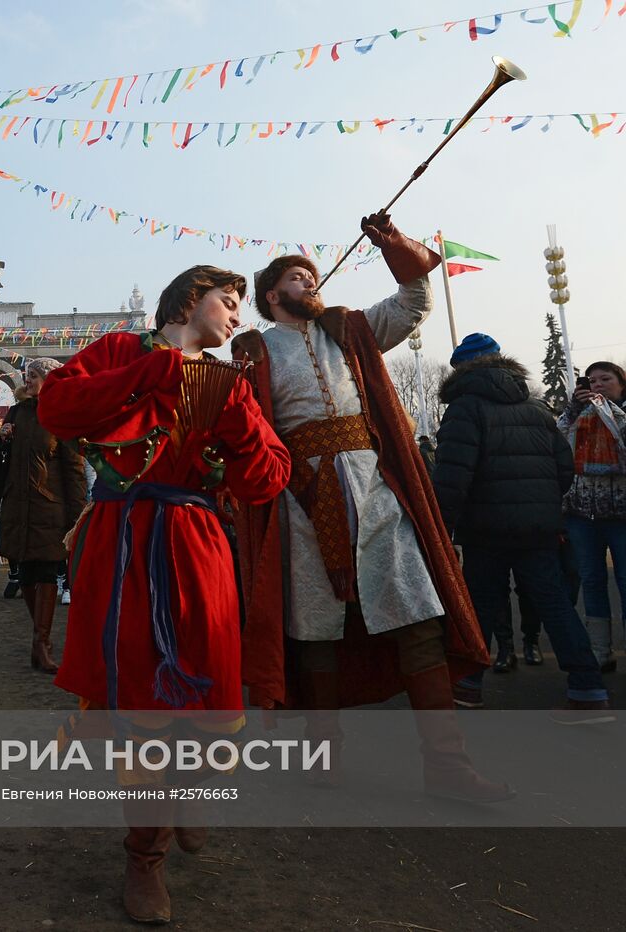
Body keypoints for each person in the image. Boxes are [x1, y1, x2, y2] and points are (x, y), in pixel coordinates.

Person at [38, 265, 291, 925]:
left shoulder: (228, 383)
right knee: (140, 701)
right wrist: (155, 376)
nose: (237, 316)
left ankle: (189, 791)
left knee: (211, 686)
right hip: (122, 543)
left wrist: (236, 429)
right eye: (229, 302)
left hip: (199, 543)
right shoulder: (122, 351)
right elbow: (57, 406)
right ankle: (144, 856)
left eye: (240, 307)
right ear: (188, 300)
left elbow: (266, 478)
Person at [232, 211, 510, 802]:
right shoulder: (252, 348)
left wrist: (395, 247)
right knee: (314, 628)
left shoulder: (351, 330)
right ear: (269, 295)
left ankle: (447, 767)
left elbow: (413, 301)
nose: (310, 282)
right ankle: (322, 759)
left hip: (374, 487)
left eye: (313, 274)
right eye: (297, 277)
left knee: (415, 608)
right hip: (299, 497)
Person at [432, 334, 611, 719]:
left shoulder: (465, 408)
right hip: (539, 528)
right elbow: (564, 468)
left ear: (463, 368)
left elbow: (452, 476)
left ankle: (468, 685)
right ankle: (587, 686)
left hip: (485, 528)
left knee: (480, 603)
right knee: (554, 600)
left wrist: (440, 528)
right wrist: (543, 506)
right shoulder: (535, 408)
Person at [0, 358, 86, 672]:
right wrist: (2, 441)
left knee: (48, 572)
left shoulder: (62, 416)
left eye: (34, 376)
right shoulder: (16, 413)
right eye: (27, 375)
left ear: (50, 381)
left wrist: (77, 517)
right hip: (17, 505)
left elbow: (74, 470)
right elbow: (2, 462)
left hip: (50, 507)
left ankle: (42, 644)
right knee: (25, 573)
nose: (28, 380)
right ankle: (40, 639)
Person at [558, 360, 626, 673]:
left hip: (620, 514)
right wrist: (573, 410)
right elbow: (558, 444)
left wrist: (612, 413)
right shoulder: (577, 414)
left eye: (605, 379)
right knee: (592, 580)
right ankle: (600, 651)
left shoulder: (622, 415)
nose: (598, 385)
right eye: (592, 381)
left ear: (621, 384)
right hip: (582, 514)